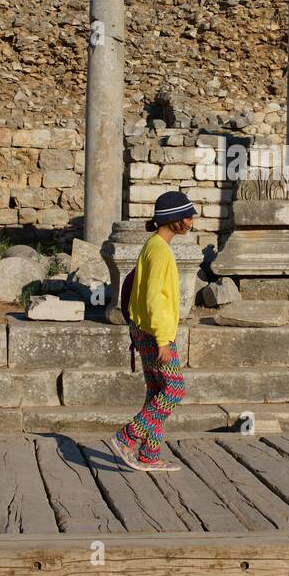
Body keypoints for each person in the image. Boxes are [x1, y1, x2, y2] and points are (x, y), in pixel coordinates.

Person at [110, 190, 193, 472]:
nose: (191, 221)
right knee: (174, 390)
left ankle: (149, 454)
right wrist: (162, 340)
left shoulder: (153, 246)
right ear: (174, 220)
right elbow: (154, 299)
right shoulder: (159, 251)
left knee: (156, 391)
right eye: (187, 216)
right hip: (155, 335)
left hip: (143, 330)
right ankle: (128, 436)